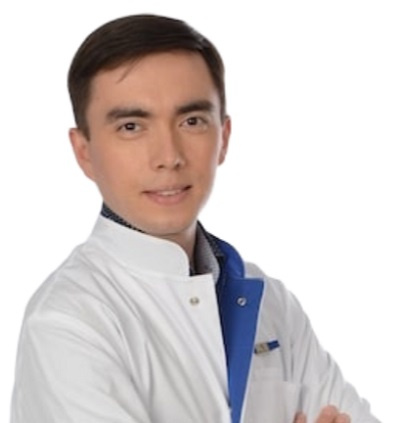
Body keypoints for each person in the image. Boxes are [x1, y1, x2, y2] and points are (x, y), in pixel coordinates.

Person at [11, 14, 380, 423]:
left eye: (192, 121)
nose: (169, 156)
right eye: (131, 126)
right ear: (84, 152)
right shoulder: (68, 322)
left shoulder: (270, 303)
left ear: (224, 137)